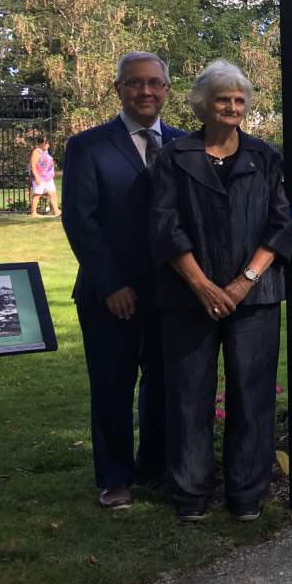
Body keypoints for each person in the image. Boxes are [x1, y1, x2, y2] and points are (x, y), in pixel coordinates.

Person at [150, 60, 292, 522]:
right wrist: (202, 285)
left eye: (239, 100)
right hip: (188, 296)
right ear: (202, 105)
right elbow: (164, 226)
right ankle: (191, 492)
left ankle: (246, 493)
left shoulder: (266, 156)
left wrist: (241, 283)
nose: (233, 107)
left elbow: (280, 224)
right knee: (188, 395)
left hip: (256, 294)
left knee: (253, 395)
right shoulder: (174, 156)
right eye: (223, 99)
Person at [62, 52, 184, 510]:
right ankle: (114, 476)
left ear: (168, 89)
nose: (146, 91)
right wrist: (111, 284)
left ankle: (154, 467)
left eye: (155, 83)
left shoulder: (182, 143)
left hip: (171, 290)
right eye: (135, 83)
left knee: (164, 383)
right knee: (113, 385)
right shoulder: (88, 146)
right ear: (118, 89)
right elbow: (80, 221)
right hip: (108, 293)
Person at [29, 137, 60, 217]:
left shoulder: (46, 152)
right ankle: (34, 213)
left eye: (48, 142)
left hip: (48, 177)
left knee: (52, 194)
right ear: (40, 143)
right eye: (45, 142)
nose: (47, 144)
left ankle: (56, 211)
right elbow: (33, 165)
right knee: (37, 194)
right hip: (40, 177)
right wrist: (36, 177)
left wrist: (52, 172)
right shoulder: (37, 151)